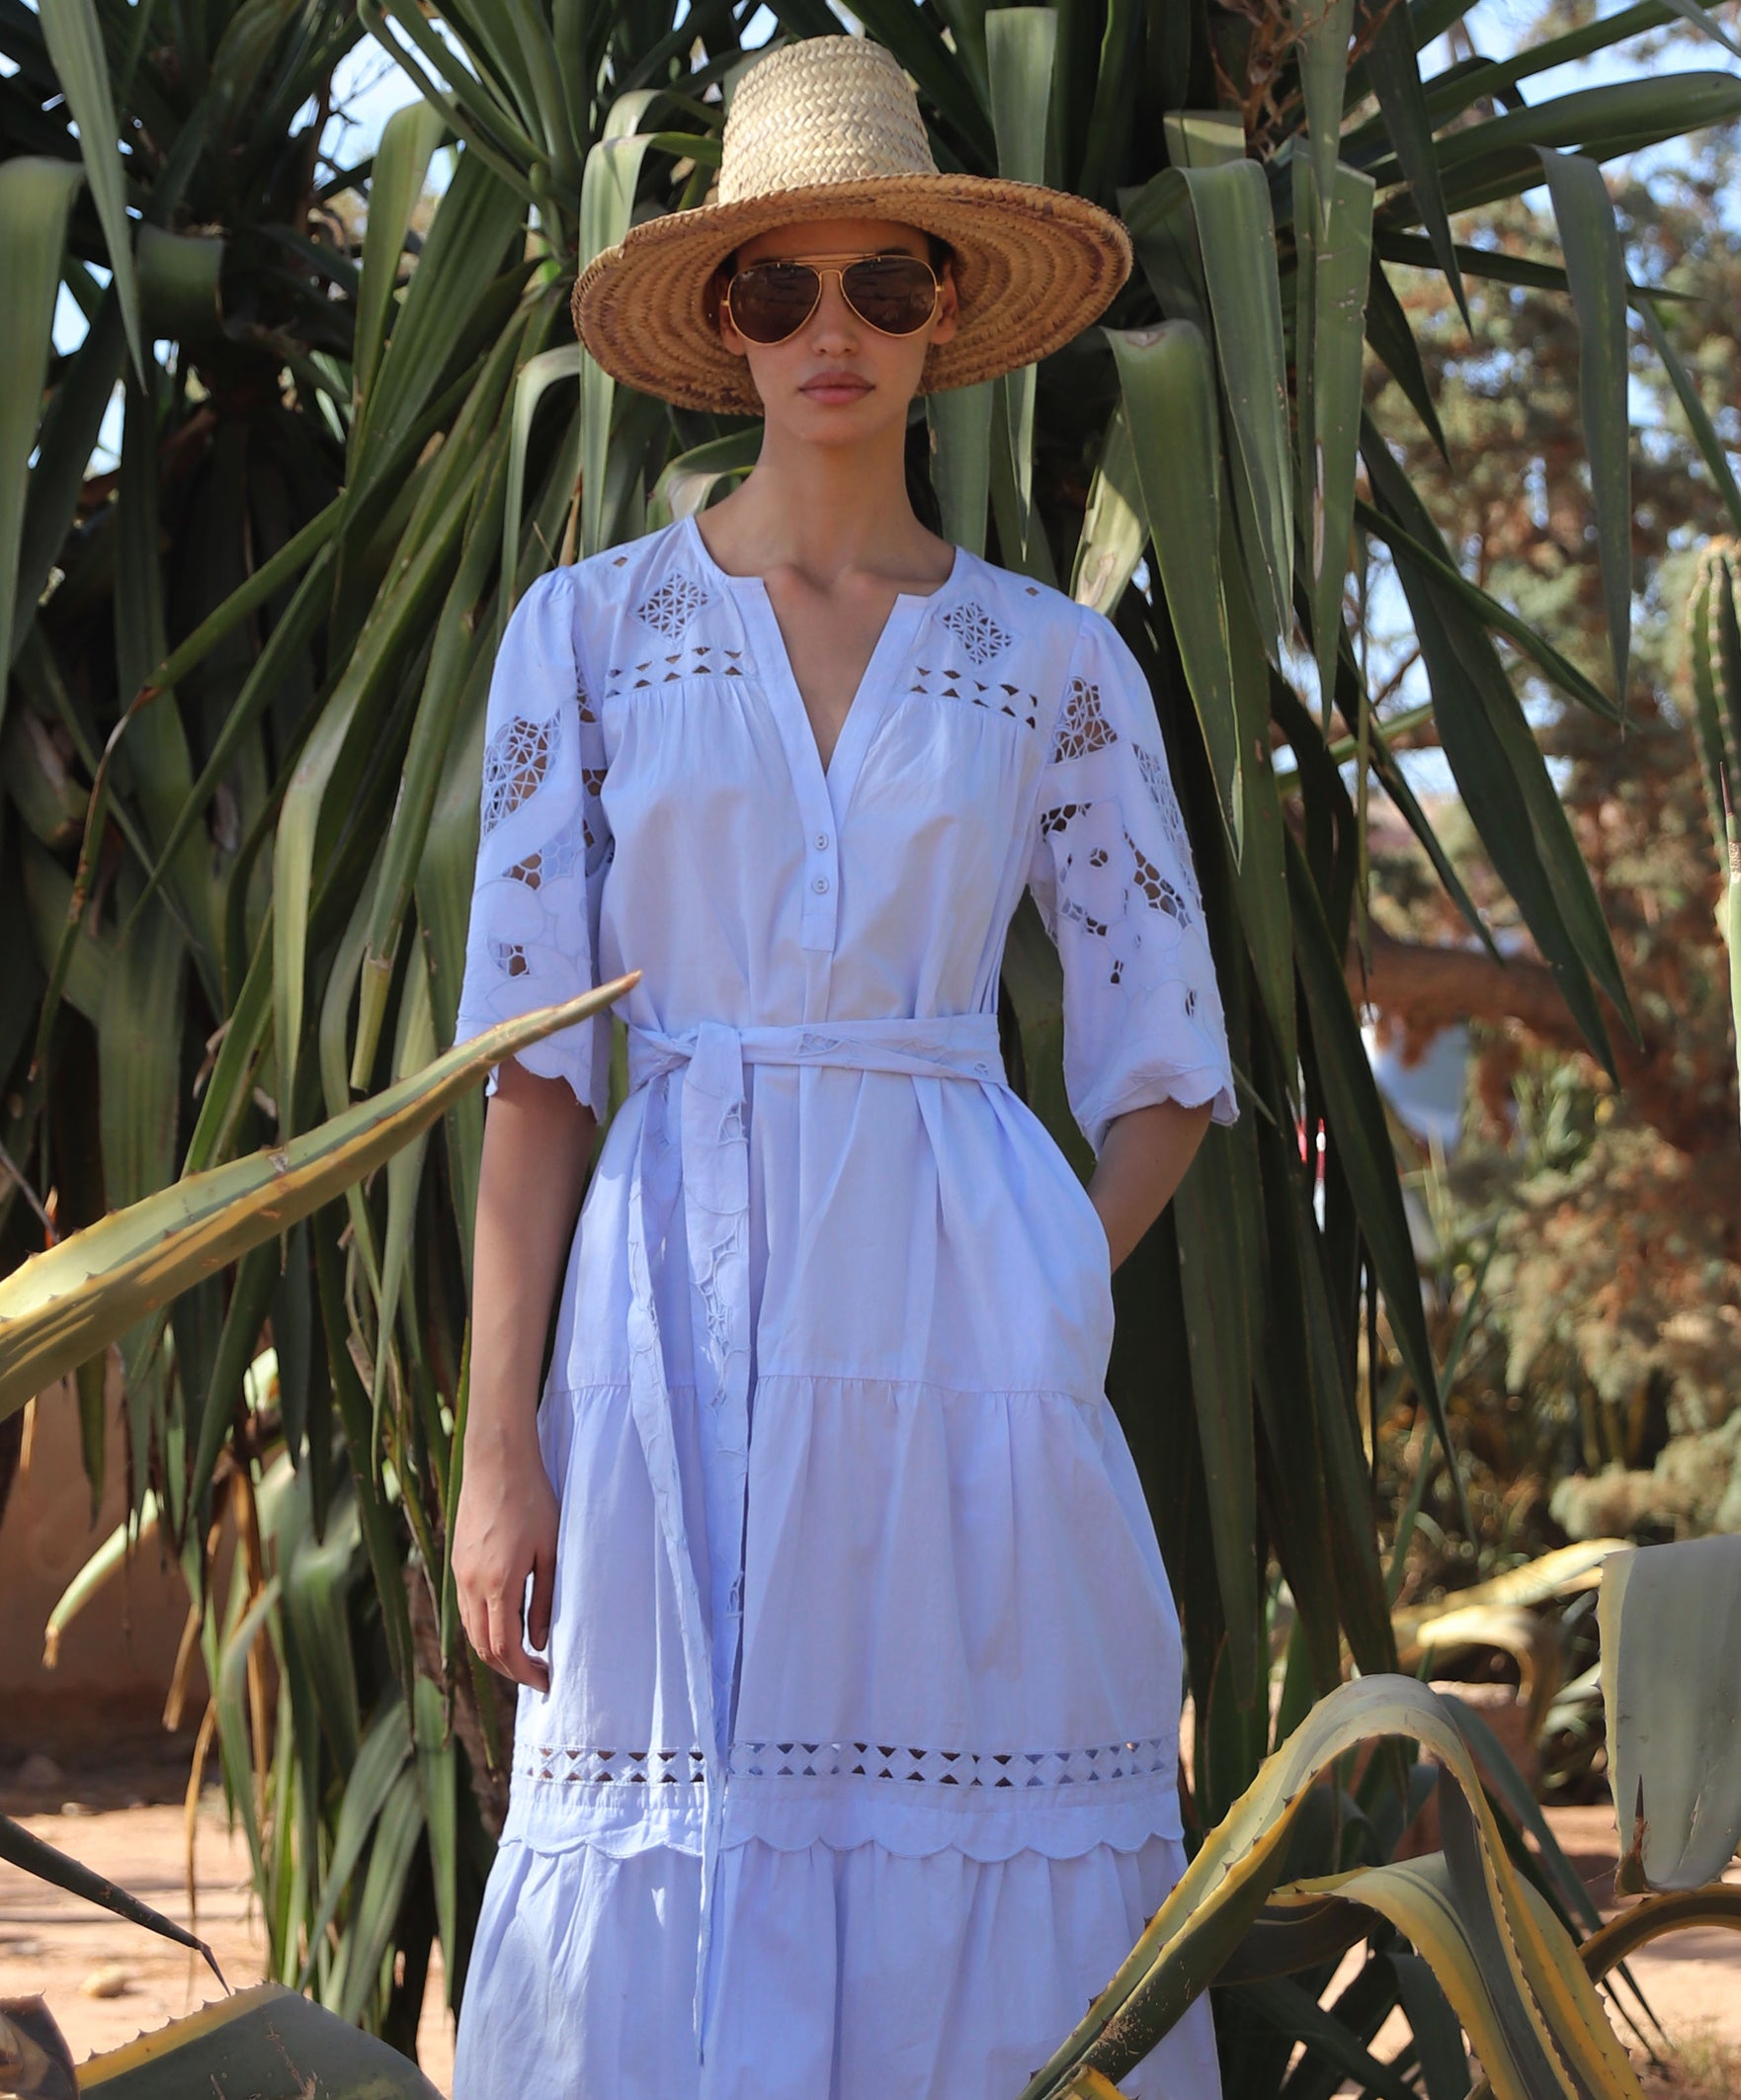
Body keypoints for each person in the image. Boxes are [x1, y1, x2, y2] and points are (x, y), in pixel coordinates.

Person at [448, 33, 1234, 2100]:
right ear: (719, 320)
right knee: (663, 1816)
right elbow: (535, 1074)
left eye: (882, 284)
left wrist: (1048, 1265)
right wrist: (494, 1442)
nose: (832, 330)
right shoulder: (589, 638)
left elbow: (1164, 1043)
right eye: (776, 288)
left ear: (942, 315)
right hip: (665, 1325)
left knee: (984, 1825)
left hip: (964, 1347)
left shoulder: (1051, 663)